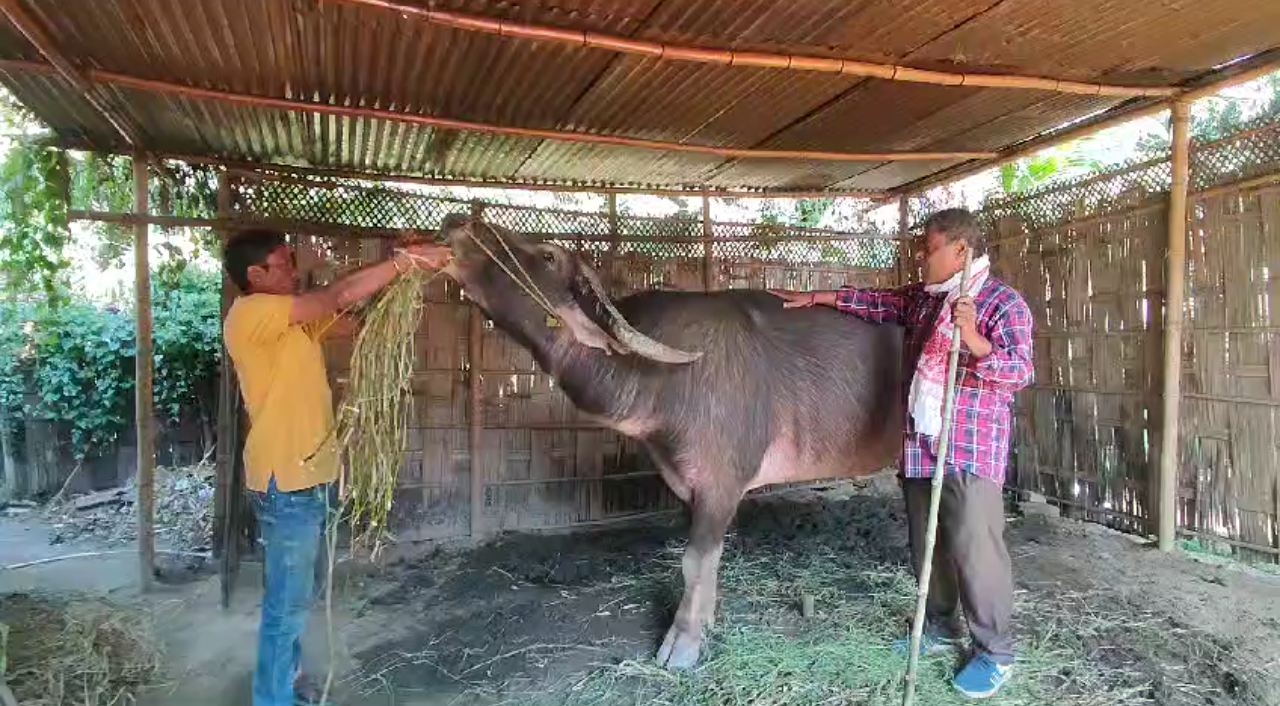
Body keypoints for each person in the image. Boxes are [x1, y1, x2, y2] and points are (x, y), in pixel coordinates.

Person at [770, 208, 1033, 699]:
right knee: (926, 544)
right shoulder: (926, 301)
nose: (920, 257)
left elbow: (1019, 373)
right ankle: (938, 626)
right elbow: (878, 302)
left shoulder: (1002, 303)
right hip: (922, 442)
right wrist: (818, 297)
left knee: (976, 549)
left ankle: (995, 652)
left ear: (961, 251)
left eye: (928, 248)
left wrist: (973, 339)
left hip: (970, 448)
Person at [221, 228, 451, 706]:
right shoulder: (252, 315)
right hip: (286, 483)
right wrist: (407, 262)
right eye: (283, 263)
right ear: (255, 274)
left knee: (297, 595)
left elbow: (347, 308)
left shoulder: (292, 320)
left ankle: (288, 676)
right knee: (286, 605)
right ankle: (273, 698)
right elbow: (338, 295)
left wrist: (394, 267)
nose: (294, 269)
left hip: (315, 478)